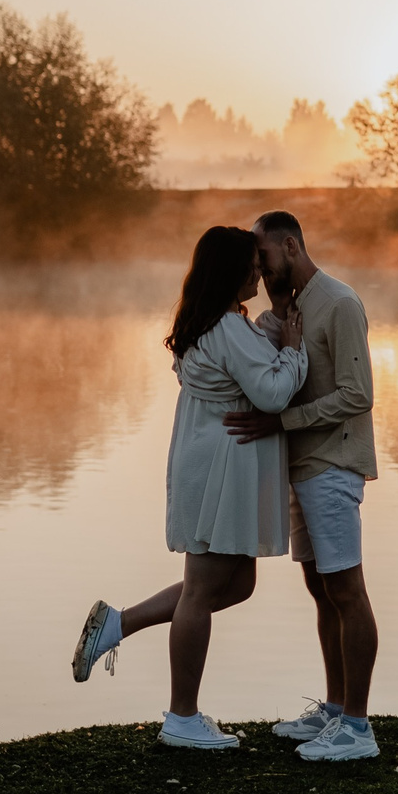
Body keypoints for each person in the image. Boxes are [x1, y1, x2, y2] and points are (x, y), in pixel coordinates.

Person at [70, 225, 307, 750]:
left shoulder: (211, 323)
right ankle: (181, 717)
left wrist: (276, 319)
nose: (258, 274)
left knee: (237, 584)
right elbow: (271, 393)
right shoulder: (225, 328)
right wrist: (294, 351)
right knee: (200, 592)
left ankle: (118, 624)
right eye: (252, 267)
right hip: (221, 469)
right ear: (230, 272)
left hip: (210, 461)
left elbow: (250, 351)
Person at [230, 209, 382, 763]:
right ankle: (336, 709)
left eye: (264, 256)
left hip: (333, 467)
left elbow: (358, 394)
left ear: (291, 246)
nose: (259, 266)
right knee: (321, 589)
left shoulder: (339, 303)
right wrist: (271, 313)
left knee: (347, 590)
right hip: (302, 467)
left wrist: (283, 422)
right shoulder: (290, 308)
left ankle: (358, 728)